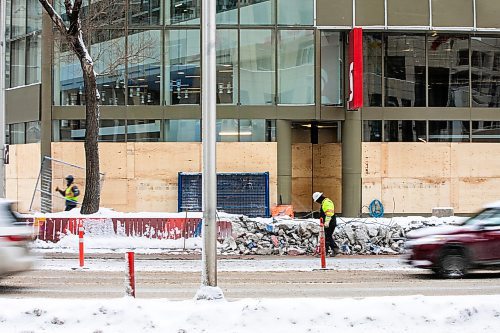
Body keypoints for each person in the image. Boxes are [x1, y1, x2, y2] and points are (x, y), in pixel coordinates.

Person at [313, 191, 339, 257]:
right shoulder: (325, 202)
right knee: (328, 236)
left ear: (319, 198)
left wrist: (327, 221)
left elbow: (329, 212)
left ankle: (324, 253)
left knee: (326, 237)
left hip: (329, 222)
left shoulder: (326, 202)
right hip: (330, 221)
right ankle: (335, 249)